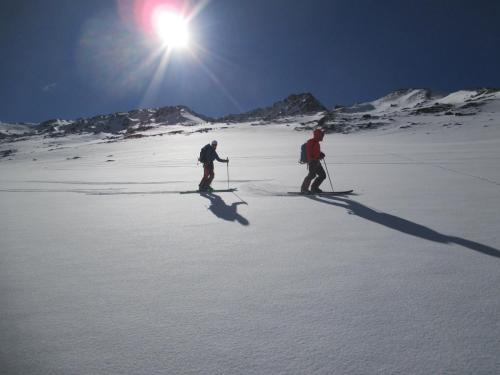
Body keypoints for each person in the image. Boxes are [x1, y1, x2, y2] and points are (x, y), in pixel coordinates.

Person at [301, 128, 326, 193]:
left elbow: (315, 152)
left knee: (322, 175)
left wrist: (320, 154)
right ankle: (304, 189)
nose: (322, 137)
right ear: (318, 135)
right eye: (321, 135)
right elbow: (309, 153)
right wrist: (313, 159)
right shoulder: (311, 142)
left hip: (316, 162)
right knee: (312, 175)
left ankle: (314, 188)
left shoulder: (317, 143)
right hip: (312, 162)